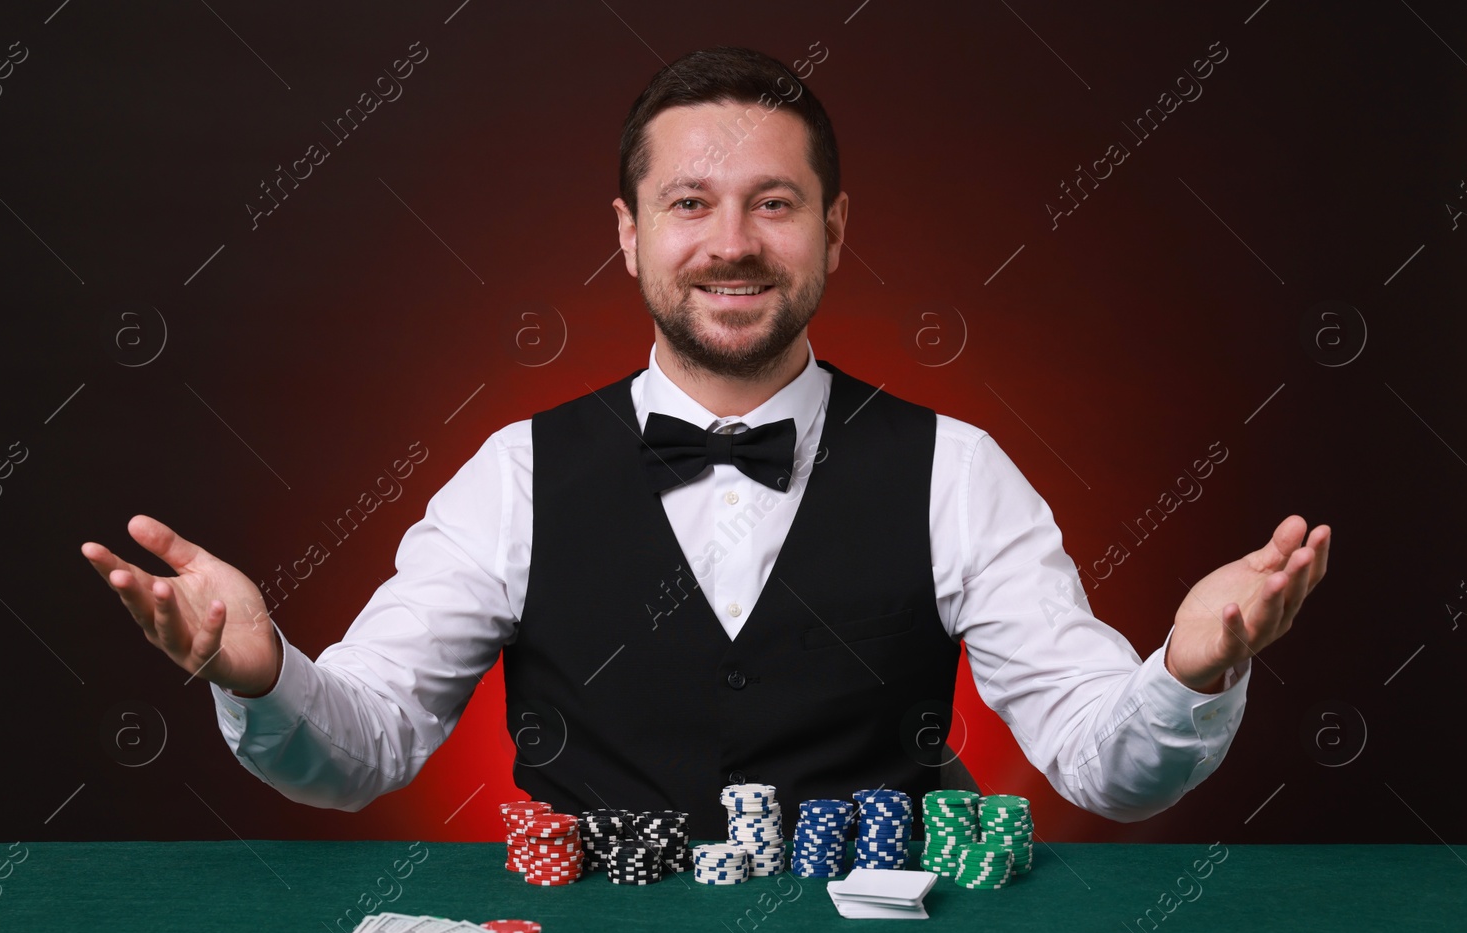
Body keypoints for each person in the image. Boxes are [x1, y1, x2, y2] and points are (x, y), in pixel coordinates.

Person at [81, 47, 1329, 837]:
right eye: (690, 203)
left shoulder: (957, 466)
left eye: (772, 204)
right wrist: (261, 673)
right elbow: (361, 747)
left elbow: (1100, 763)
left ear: (834, 230)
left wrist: (1187, 665)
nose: (730, 242)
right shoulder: (515, 473)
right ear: (627, 235)